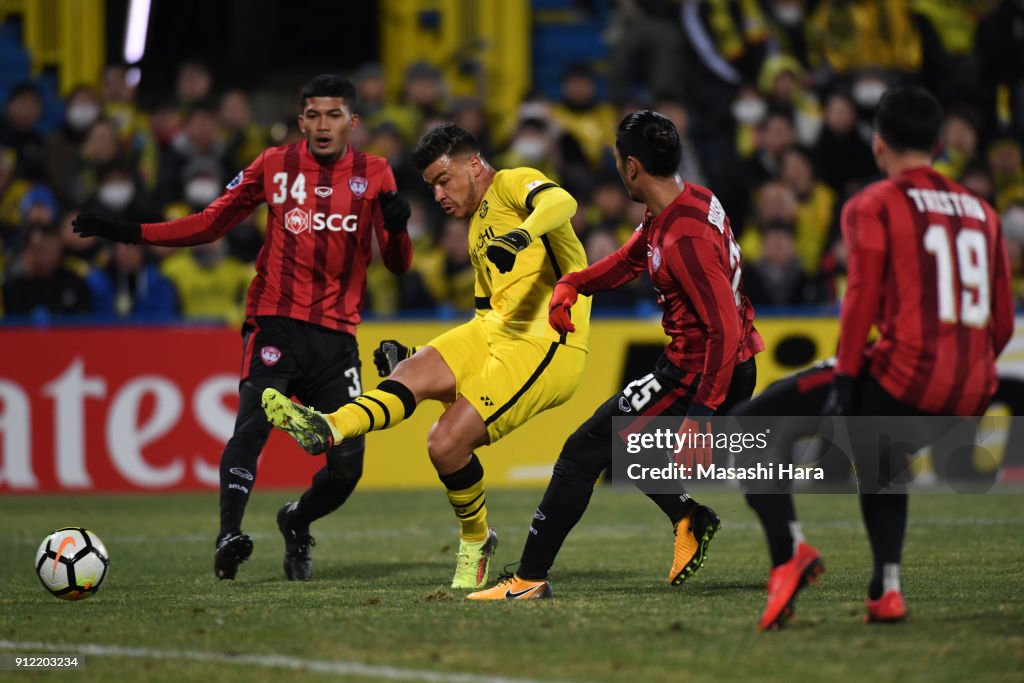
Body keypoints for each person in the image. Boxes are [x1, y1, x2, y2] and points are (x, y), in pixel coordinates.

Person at [72, 74, 413, 582]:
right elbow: (211, 221)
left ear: (352, 122)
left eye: (334, 115)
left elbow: (399, 265)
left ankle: (296, 520)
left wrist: (399, 225)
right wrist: (130, 233)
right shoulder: (274, 165)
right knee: (252, 423)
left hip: (337, 336)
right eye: (314, 115)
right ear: (301, 121)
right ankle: (228, 534)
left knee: (347, 467)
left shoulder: (377, 173)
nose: (323, 125)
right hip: (275, 320)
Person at [261, 123, 592, 590]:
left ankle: (476, 539)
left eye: (443, 180)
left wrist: (521, 234)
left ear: (474, 165)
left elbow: (563, 204)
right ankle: (329, 426)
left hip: (549, 342)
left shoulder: (514, 183)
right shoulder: (478, 226)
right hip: (494, 331)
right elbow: (485, 315)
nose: (438, 195)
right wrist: (417, 353)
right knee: (408, 372)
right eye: (431, 186)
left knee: (444, 443)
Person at [746, 86, 1014, 630]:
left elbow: (860, 298)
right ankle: (886, 589)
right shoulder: (984, 213)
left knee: (750, 426)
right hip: (970, 395)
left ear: (878, 145)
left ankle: (790, 552)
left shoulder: (874, 203)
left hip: (905, 379)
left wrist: (847, 378)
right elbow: (1003, 322)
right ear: (940, 144)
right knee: (880, 457)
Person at [467, 110, 764, 600]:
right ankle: (688, 517)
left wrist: (701, 416)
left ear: (631, 167)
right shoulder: (688, 202)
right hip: (704, 363)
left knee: (581, 453)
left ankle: (527, 579)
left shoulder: (683, 235)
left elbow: (723, 329)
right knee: (625, 445)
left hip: (705, 369)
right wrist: (573, 283)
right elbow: (630, 259)